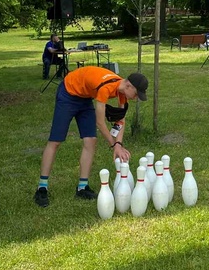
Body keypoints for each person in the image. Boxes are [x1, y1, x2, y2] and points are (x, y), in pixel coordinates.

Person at [35, 67, 148, 207]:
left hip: (85, 97)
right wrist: (113, 145)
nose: (136, 98)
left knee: (91, 140)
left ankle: (82, 187)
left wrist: (119, 144)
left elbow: (121, 119)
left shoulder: (122, 92)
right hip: (68, 93)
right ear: (128, 85)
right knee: (55, 141)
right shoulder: (105, 88)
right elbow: (100, 122)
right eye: (136, 94)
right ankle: (42, 188)